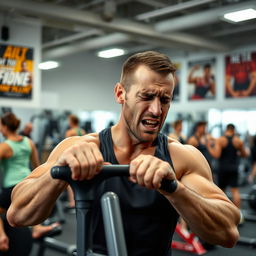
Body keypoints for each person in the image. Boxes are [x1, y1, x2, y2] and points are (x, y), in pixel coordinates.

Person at [7, 51, 239, 256]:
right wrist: (58, 173)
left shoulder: (181, 157)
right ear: (121, 94)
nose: (157, 110)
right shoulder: (78, 146)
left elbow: (228, 232)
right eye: (146, 96)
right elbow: (18, 215)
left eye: (165, 100)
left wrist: (174, 188)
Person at [0, 112, 59, 253]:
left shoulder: (5, 146)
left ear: (5, 127)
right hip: (28, 184)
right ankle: (37, 227)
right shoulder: (29, 142)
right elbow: (38, 166)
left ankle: (2, 236)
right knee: (25, 210)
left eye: (1, 127)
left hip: (12, 187)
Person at [209, 124, 248, 217]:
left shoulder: (221, 140)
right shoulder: (238, 141)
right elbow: (245, 155)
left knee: (221, 192)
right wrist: (238, 152)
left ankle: (221, 213)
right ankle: (238, 214)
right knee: (235, 191)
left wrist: (209, 147)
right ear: (233, 130)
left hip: (223, 169)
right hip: (233, 168)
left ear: (226, 130)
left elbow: (216, 155)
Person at [65, 114, 86, 209]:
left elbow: (65, 146)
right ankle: (80, 200)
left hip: (72, 156)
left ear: (71, 122)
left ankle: (72, 202)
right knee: (79, 178)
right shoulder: (82, 131)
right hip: (81, 156)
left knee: (70, 181)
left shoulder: (70, 132)